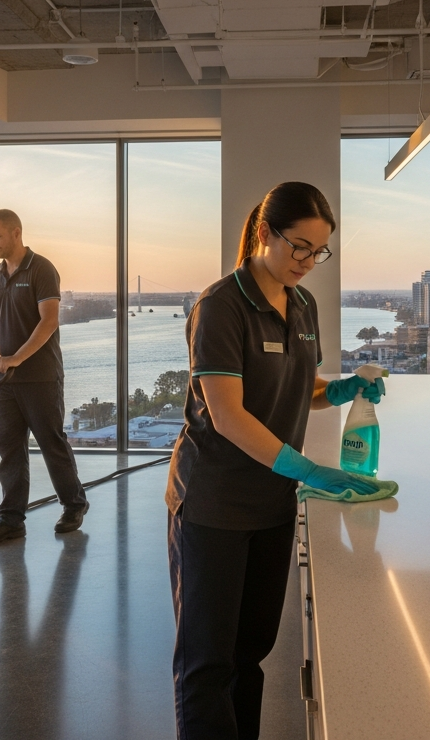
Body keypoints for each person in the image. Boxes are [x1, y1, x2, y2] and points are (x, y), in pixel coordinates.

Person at [167, 182, 394, 739]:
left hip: (271, 503)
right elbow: (227, 414)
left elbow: (298, 385)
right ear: (264, 233)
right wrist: (307, 470)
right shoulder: (221, 306)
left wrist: (336, 391)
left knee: (251, 653)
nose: (308, 263)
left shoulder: (303, 304)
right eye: (299, 247)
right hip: (214, 503)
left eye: (319, 252)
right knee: (208, 664)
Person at [0, 209, 89, 546]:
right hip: (5, 381)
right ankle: (11, 519)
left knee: (51, 443)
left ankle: (74, 504)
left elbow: (48, 321)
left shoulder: (42, 269)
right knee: (10, 450)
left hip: (40, 377)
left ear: (16, 233)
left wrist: (17, 357)